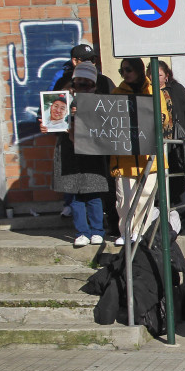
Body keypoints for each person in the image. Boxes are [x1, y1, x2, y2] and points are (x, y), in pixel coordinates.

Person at [109, 58, 170, 246]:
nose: (125, 74)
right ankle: (126, 232)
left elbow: (164, 118)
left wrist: (157, 119)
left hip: (148, 157)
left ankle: (139, 233)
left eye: (128, 70)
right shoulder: (117, 93)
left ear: (139, 70)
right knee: (124, 199)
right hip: (124, 157)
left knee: (145, 197)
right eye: (122, 71)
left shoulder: (154, 92)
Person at [52, 64, 108, 247]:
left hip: (92, 154)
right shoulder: (64, 101)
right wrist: (49, 125)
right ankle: (82, 231)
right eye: (78, 84)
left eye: (87, 85)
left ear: (94, 86)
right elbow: (54, 125)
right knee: (75, 196)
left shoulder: (101, 101)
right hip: (71, 154)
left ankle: (97, 230)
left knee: (93, 194)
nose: (82, 88)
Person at [148, 62, 185, 209]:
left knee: (176, 178)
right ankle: (158, 215)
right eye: (152, 74)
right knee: (156, 180)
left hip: (174, 142)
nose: (155, 78)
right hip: (154, 143)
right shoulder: (146, 90)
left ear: (167, 76)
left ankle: (179, 214)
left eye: (159, 75)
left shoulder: (176, 89)